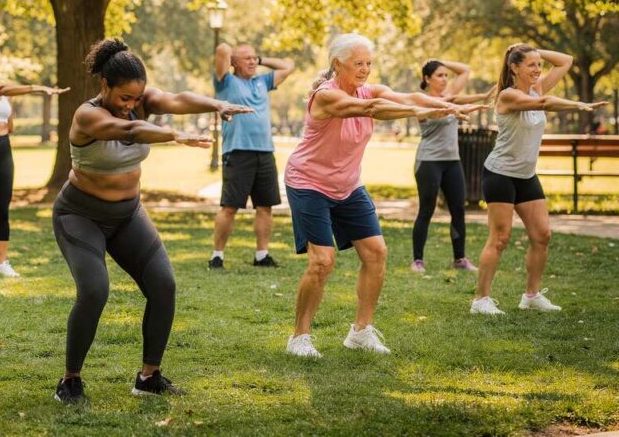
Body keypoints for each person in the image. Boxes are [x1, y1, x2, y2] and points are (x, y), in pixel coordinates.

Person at [52, 38, 251, 404]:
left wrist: (216, 103)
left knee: (163, 285)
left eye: (137, 98)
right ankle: (70, 380)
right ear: (104, 86)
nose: (131, 105)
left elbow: (176, 99)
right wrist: (174, 135)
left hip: (127, 214)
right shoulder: (87, 115)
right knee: (95, 290)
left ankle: (148, 376)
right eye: (124, 98)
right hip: (80, 215)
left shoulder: (141, 101)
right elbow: (128, 131)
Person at [283, 33, 481, 358]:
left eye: (368, 64)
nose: (364, 70)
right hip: (309, 183)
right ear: (337, 64)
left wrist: (447, 105)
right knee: (322, 261)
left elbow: (406, 97)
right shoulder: (325, 97)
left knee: (376, 253)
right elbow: (374, 109)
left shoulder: (369, 89)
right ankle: (299, 337)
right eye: (357, 64)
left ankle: (361, 332)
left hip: (347, 185)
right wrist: (435, 109)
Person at [470, 45, 606, 316]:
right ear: (514, 67)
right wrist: (578, 104)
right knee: (500, 237)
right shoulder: (508, 96)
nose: (537, 69)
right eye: (530, 64)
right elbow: (544, 104)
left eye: (539, 64)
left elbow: (566, 60)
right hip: (500, 174)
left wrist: (534, 51)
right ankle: (481, 300)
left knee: (542, 235)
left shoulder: (538, 87)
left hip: (526, 175)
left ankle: (531, 296)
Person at [0, 45, 68, 279]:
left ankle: (2, 263)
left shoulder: (6, 93)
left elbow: (10, 123)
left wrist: (7, 123)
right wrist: (36, 88)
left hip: (3, 151)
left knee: (3, 208)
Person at [209, 42, 295, 269]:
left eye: (254, 58)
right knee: (230, 206)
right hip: (238, 152)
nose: (252, 62)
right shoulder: (226, 82)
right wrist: (231, 53)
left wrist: (260, 58)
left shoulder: (262, 81)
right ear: (233, 62)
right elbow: (221, 50)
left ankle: (261, 255)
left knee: (265, 206)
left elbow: (288, 66)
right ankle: (217, 255)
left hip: (265, 152)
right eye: (246, 58)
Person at [410, 59, 495, 273]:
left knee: (458, 209)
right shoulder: (422, 100)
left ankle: (459, 259)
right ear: (426, 79)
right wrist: (455, 105)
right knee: (426, 210)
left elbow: (466, 69)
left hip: (452, 161)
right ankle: (418, 260)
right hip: (429, 161)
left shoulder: (450, 94)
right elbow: (445, 105)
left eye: (446, 75)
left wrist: (440, 61)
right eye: (439, 75)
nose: (445, 78)